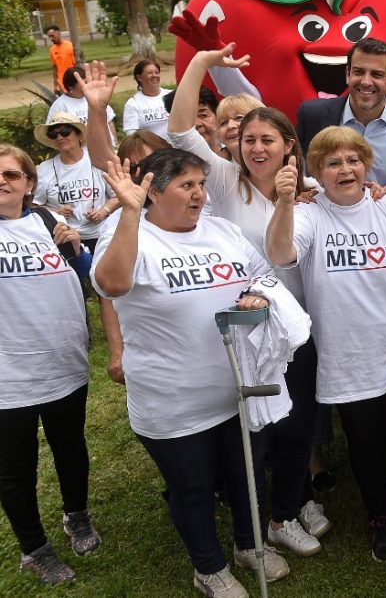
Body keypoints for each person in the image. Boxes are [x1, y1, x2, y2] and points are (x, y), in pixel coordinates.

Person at [93, 149, 297, 597]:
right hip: (174, 401)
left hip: (238, 389)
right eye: (188, 186)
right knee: (194, 488)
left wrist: (259, 297)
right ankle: (209, 568)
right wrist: (129, 214)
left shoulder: (220, 231)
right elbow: (111, 285)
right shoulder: (131, 234)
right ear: (154, 191)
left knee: (246, 473)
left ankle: (249, 545)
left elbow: (263, 274)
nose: (201, 195)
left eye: (202, 184)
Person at [167, 45, 330, 558]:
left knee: (298, 427)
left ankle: (287, 510)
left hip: (296, 329)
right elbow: (178, 133)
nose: (257, 149)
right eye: (249, 140)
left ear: (289, 145)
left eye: (268, 140)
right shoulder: (220, 181)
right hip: (243, 333)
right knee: (256, 437)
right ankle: (258, 524)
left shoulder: (309, 189)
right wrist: (199, 64)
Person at [266, 126, 386, 561]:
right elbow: (281, 254)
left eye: (353, 160)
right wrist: (286, 202)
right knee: (364, 443)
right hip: (347, 357)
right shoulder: (309, 214)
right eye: (333, 163)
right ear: (317, 173)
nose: (345, 169)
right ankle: (379, 517)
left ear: (367, 165)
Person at [0, 144, 98, 586]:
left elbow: (89, 275)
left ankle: (76, 515)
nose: (3, 182)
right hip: (8, 371)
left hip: (61, 360)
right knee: (14, 466)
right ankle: (34, 549)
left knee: (70, 447)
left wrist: (76, 248)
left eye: (11, 175)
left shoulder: (45, 221)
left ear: (28, 184)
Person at [294, 37, 386, 185]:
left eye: (376, 74)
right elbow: (297, 170)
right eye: (359, 72)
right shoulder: (312, 115)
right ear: (348, 74)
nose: (366, 82)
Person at [33, 113, 117, 253]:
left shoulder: (96, 160)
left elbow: (118, 195)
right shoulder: (45, 169)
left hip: (103, 235)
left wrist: (103, 211)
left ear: (79, 135)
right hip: (66, 238)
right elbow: (34, 204)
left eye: (65, 132)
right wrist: (56, 212)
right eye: (53, 134)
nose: (60, 137)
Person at [47, 67, 117, 145]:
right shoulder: (59, 106)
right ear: (70, 86)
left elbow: (109, 121)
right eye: (83, 83)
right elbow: (55, 133)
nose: (87, 85)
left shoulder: (95, 97)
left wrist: (115, 143)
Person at [121, 59, 171, 136]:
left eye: (157, 72)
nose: (154, 75)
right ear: (139, 77)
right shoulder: (133, 104)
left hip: (176, 147)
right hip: (152, 147)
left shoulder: (171, 95)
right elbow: (131, 136)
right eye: (150, 73)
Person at [45, 25, 76, 94]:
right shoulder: (52, 50)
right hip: (61, 84)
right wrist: (55, 85)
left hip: (72, 82)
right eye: (49, 37)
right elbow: (55, 68)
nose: (51, 39)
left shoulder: (70, 46)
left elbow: (76, 64)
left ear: (58, 33)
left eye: (52, 36)